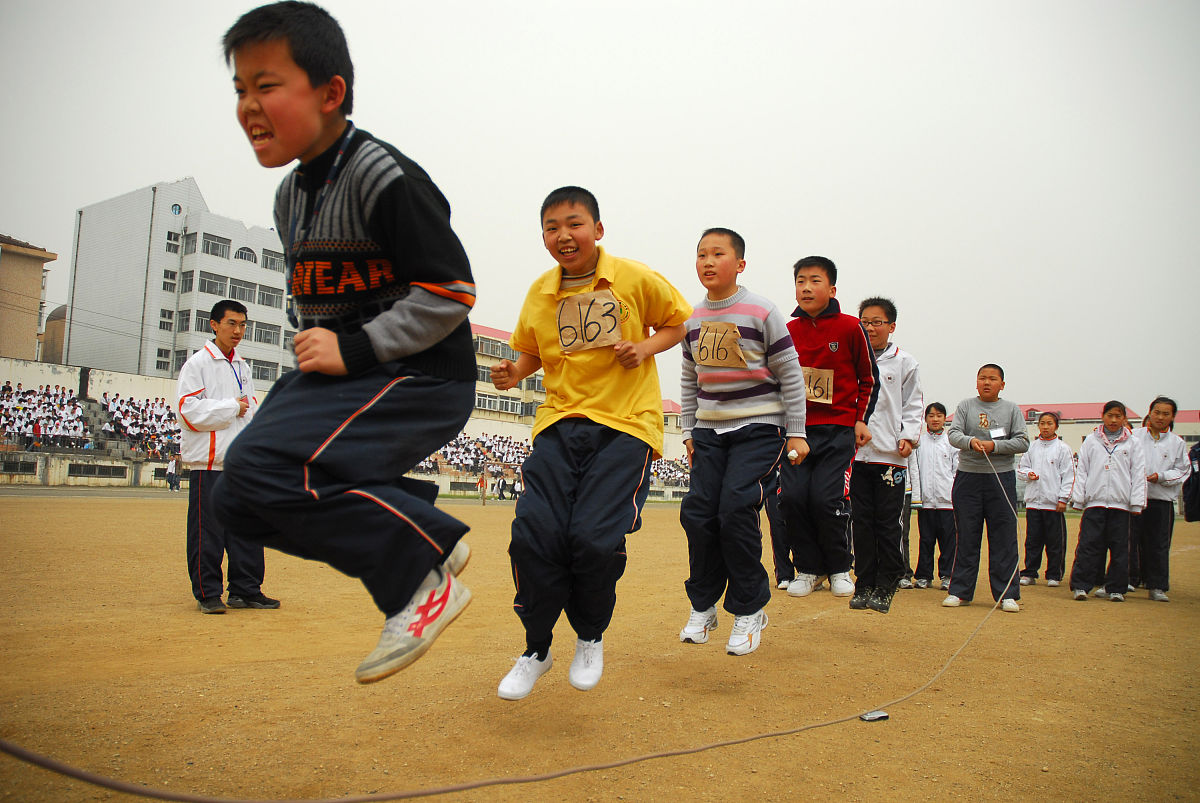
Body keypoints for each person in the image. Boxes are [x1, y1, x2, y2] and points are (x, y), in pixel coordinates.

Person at [213, 2, 476, 683]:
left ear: (331, 93)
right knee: (235, 495)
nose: (248, 105)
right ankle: (426, 533)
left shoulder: (383, 176)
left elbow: (452, 292)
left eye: (266, 85)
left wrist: (353, 350)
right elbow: (323, 303)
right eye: (240, 88)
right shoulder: (288, 200)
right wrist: (329, 350)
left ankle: (423, 579)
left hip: (421, 373)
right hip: (349, 371)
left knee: (264, 464)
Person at [490, 186, 690, 700]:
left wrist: (642, 346)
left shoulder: (633, 278)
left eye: (573, 223)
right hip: (559, 423)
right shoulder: (540, 292)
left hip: (626, 425)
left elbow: (677, 322)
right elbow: (533, 352)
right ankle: (536, 647)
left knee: (593, 540)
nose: (563, 235)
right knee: (534, 536)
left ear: (597, 229)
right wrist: (515, 371)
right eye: (551, 227)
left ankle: (589, 635)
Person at [677, 228, 808, 655]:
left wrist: (797, 431)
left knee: (735, 508)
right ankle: (704, 605)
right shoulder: (692, 318)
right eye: (701, 255)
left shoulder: (762, 311)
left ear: (740, 264)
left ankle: (750, 609)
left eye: (718, 254)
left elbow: (790, 376)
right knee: (698, 514)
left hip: (759, 427)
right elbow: (688, 378)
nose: (708, 262)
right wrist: (687, 429)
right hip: (709, 431)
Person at [781, 256, 878, 600]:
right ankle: (808, 569)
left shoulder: (851, 328)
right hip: (796, 431)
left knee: (826, 498)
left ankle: (839, 567)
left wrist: (860, 419)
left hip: (837, 430)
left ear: (832, 288)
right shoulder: (786, 331)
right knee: (792, 499)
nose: (806, 288)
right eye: (800, 281)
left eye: (815, 281)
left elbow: (869, 378)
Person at [178, 300, 278, 614]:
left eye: (243, 324)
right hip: (209, 464)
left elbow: (250, 413)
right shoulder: (198, 365)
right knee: (208, 532)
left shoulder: (242, 367)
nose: (238, 331)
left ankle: (246, 589)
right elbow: (189, 412)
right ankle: (208, 592)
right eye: (231, 323)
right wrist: (231, 407)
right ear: (214, 324)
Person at [847, 297, 922, 613]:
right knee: (860, 523)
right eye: (865, 321)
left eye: (877, 322)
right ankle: (863, 582)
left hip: (890, 456)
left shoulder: (904, 362)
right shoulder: (852, 359)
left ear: (891, 326)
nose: (871, 327)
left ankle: (887, 582)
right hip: (858, 455)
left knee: (888, 524)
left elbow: (913, 404)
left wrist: (908, 437)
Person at [944, 364, 1029, 612]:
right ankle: (960, 591)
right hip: (968, 478)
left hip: (1000, 479)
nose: (987, 382)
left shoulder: (1011, 409)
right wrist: (971, 442)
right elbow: (954, 434)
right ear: (976, 382)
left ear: (1002, 384)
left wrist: (995, 446)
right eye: (982, 378)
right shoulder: (966, 406)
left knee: (1003, 537)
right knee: (967, 536)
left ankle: (1007, 594)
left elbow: (1023, 441)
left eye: (993, 379)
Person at [1068, 401, 1146, 602]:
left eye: (1118, 416)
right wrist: (1078, 499)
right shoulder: (1092, 441)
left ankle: (1116, 587)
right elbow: (1082, 470)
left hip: (1121, 505)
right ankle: (1081, 585)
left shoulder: (1133, 443)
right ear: (1103, 416)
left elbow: (1138, 474)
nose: (1113, 420)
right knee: (1088, 545)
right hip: (1095, 503)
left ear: (1124, 419)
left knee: (1120, 547)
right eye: (1110, 415)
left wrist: (1136, 503)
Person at [1131, 397, 1191, 602]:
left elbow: (1183, 471)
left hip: (1161, 500)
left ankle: (1157, 585)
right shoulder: (1134, 437)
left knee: (1158, 544)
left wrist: (1161, 477)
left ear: (1172, 417)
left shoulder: (1177, 443)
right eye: (1157, 412)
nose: (1160, 417)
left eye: (1166, 414)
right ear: (1150, 413)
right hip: (1135, 499)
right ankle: (1128, 580)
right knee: (1129, 541)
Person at [1016, 412, 1074, 587]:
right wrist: (1028, 474)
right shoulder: (1031, 447)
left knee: (1055, 541)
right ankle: (1030, 572)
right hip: (1034, 502)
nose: (1046, 427)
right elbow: (1021, 469)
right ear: (1038, 426)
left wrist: (1064, 499)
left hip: (1053, 503)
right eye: (1042, 423)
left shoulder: (1063, 448)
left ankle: (1054, 574)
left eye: (1049, 423)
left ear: (1056, 426)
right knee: (1033, 540)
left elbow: (1069, 475)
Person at [910, 402, 957, 590]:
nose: (935, 419)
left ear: (945, 418)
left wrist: (952, 494)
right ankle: (924, 575)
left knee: (948, 541)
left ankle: (947, 575)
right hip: (926, 502)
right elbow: (916, 470)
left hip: (947, 503)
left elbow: (957, 471)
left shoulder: (952, 442)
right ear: (925, 419)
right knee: (926, 540)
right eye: (931, 415)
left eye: (939, 415)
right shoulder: (919, 442)